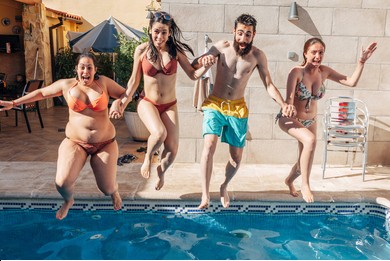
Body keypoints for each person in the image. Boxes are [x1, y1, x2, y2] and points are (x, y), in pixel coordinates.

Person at [0, 53, 126, 220]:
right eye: (82, 67)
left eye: (89, 67)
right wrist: (15, 103)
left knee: (107, 188)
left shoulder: (104, 83)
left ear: (96, 70)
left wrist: (118, 103)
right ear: (77, 69)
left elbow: (125, 94)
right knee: (62, 183)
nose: (85, 71)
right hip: (76, 142)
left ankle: (114, 191)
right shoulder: (67, 85)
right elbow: (42, 93)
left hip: (105, 143)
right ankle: (68, 200)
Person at [192, 14, 295, 209]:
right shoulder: (221, 47)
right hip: (215, 103)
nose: (243, 38)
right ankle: (205, 196)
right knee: (209, 145)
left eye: (248, 34)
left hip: (237, 108)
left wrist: (283, 104)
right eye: (240, 33)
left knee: (236, 156)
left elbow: (269, 85)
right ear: (234, 32)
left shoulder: (258, 56)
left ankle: (224, 186)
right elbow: (194, 65)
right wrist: (203, 61)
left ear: (253, 35)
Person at [110, 11, 212, 190]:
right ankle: (148, 158)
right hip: (147, 101)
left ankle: (161, 172)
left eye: (164, 32)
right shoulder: (141, 50)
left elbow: (193, 74)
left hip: (169, 105)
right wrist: (122, 103)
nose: (160, 36)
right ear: (150, 30)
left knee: (172, 149)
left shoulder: (175, 52)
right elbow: (133, 82)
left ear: (170, 32)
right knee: (159, 133)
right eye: (156, 31)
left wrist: (206, 67)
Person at [277, 37, 377, 203]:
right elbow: (288, 99)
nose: (318, 56)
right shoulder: (296, 72)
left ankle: (289, 180)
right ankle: (305, 185)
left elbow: (351, 82)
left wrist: (361, 61)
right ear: (305, 53)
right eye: (313, 52)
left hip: (311, 120)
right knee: (311, 141)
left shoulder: (324, 72)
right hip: (290, 118)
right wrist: (288, 106)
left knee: (304, 162)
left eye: (321, 52)